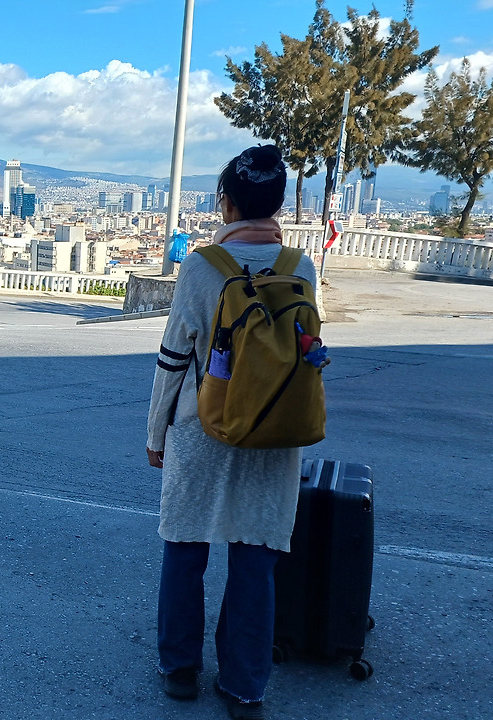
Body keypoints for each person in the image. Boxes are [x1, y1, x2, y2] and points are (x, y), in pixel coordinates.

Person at [145, 145, 315, 720]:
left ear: (227, 202)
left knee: (185, 546)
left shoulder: (202, 267)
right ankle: (245, 686)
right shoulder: (300, 268)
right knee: (256, 561)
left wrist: (156, 432)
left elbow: (174, 358)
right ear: (277, 204)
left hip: (204, 429)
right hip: (275, 433)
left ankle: (179, 668)